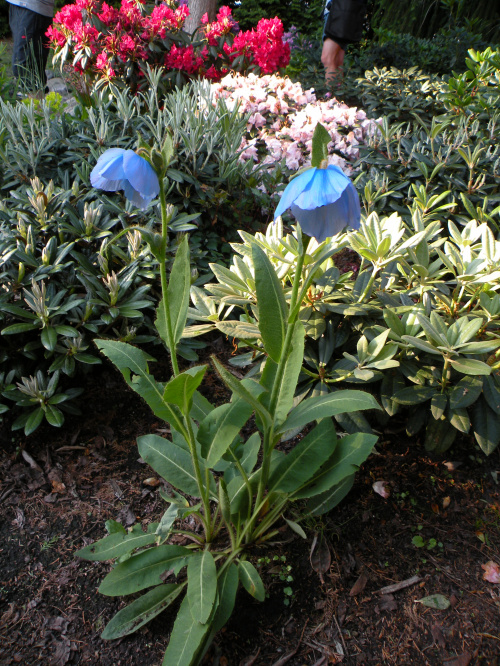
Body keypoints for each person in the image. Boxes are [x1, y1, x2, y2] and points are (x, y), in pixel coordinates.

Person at [8, 0, 54, 91]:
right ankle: (38, 104)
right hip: (17, 4)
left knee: (24, 67)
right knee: (32, 68)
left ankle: (36, 104)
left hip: (33, 7)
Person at [321, 0, 367, 83]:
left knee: (327, 58)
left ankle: (331, 94)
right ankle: (337, 94)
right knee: (337, 62)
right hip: (338, 10)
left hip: (341, 10)